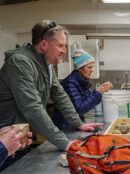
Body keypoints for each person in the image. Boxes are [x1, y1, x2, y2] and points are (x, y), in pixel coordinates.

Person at [0, 20, 102, 153]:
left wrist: (79, 123)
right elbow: (33, 108)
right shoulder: (20, 63)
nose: (64, 51)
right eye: (60, 46)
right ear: (44, 44)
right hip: (6, 140)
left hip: (21, 138)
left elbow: (60, 95)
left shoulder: (46, 65)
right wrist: (65, 143)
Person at [51, 49, 113, 130]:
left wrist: (101, 92)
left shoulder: (82, 80)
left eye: (92, 67)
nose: (92, 70)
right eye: (89, 67)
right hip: (64, 127)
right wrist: (97, 93)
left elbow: (89, 100)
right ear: (80, 68)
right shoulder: (70, 84)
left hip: (73, 124)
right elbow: (80, 109)